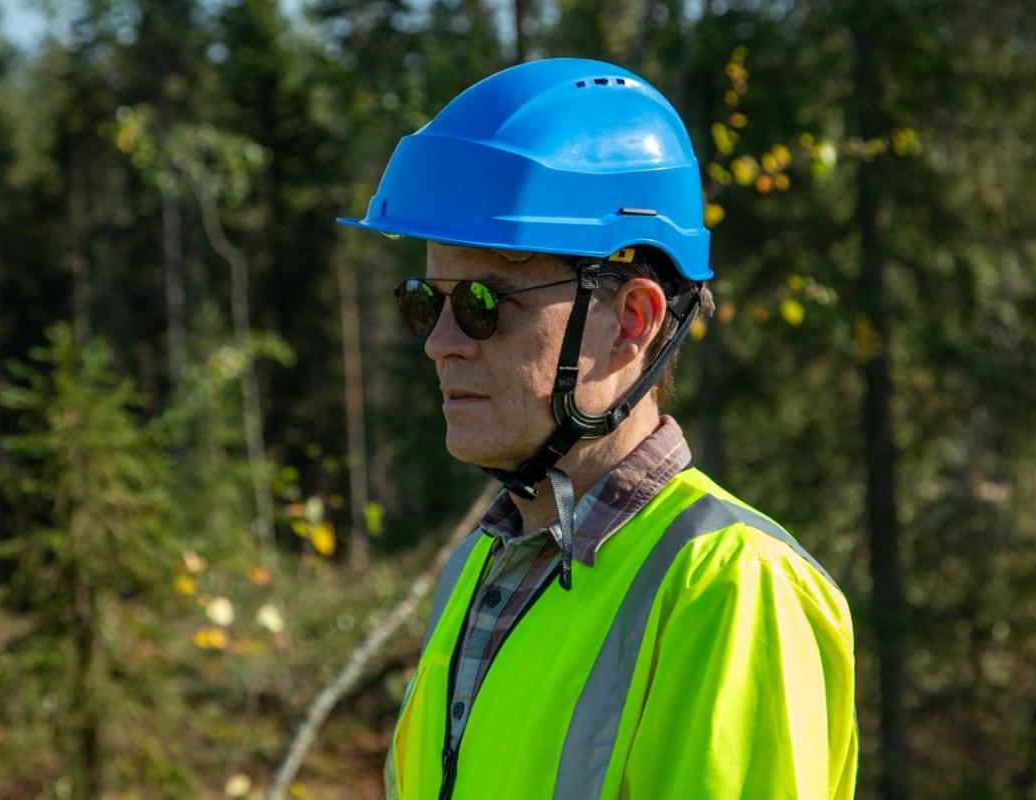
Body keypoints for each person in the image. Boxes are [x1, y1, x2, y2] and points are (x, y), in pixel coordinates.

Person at [339, 58, 857, 800]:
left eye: (484, 302)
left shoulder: (733, 589)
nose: (439, 340)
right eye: (427, 300)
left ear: (632, 322)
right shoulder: (478, 573)